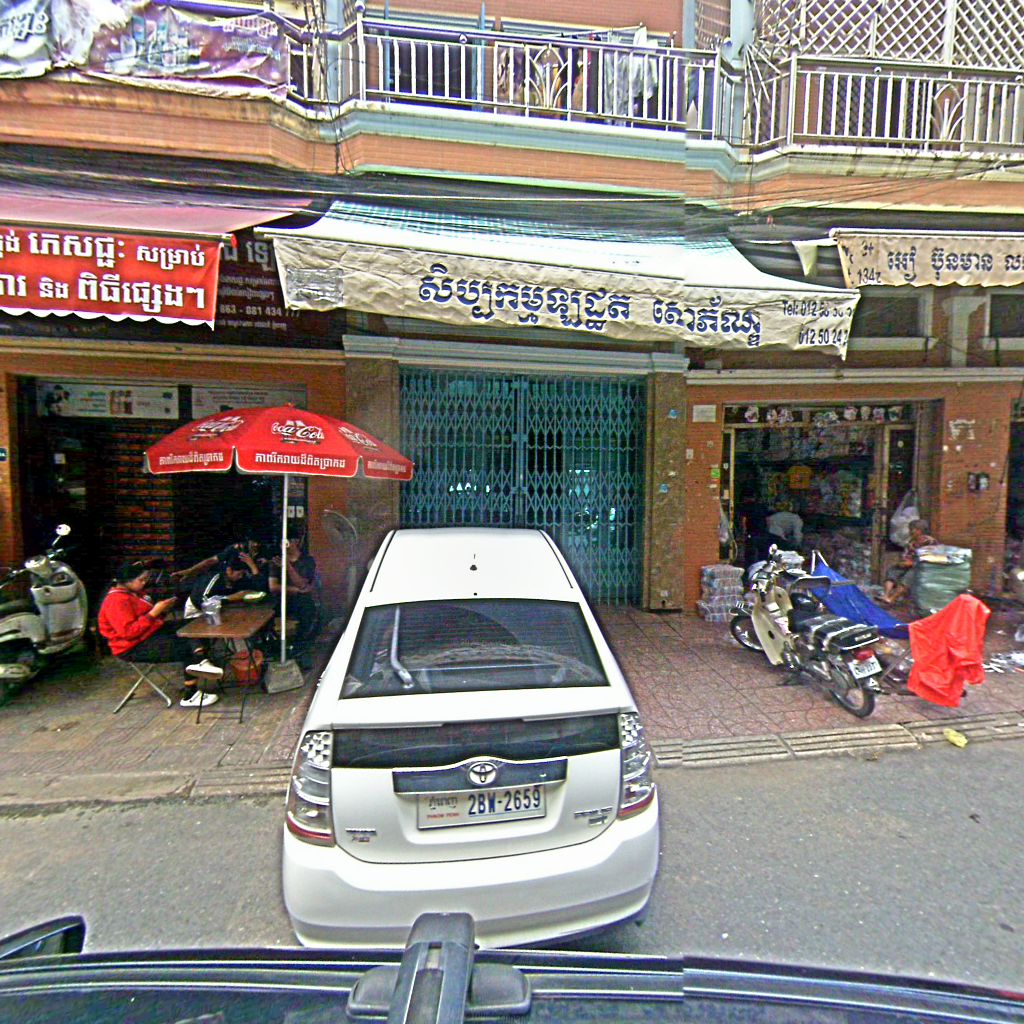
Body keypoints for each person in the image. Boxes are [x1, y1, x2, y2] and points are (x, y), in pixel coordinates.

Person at [97, 563, 219, 709]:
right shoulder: (116, 601)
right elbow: (128, 633)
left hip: (149, 632)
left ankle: (201, 659)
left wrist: (163, 610)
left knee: (193, 626)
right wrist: (154, 612)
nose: (144, 583)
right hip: (131, 646)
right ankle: (190, 695)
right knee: (185, 647)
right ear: (126, 581)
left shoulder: (134, 593)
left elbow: (147, 618)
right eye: (141, 580)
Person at [268, 528, 319, 656]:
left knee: (307, 609)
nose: (283, 545)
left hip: (301, 602)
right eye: (281, 542)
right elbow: (273, 586)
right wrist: (296, 590)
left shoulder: (307, 560)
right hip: (282, 600)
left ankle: (300, 649)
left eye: (286, 541)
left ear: (295, 541)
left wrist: (288, 566)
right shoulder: (276, 561)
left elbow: (302, 583)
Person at [183, 552, 264, 621]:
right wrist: (230, 598)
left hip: (220, 610)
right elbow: (203, 602)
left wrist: (253, 567)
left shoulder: (238, 580)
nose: (241, 577)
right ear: (229, 570)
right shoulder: (214, 578)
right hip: (197, 612)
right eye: (240, 573)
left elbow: (259, 589)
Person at [883, 518, 937, 604]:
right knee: (893, 571)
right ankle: (886, 595)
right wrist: (903, 562)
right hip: (911, 565)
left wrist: (912, 563)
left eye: (913, 529)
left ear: (920, 530)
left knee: (909, 576)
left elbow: (929, 558)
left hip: (923, 567)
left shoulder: (929, 542)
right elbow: (907, 555)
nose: (910, 532)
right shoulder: (911, 542)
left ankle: (892, 598)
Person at [171, 540, 263, 585]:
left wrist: (252, 565)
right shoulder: (237, 550)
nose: (255, 545)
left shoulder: (264, 553)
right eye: (253, 542)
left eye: (258, 543)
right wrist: (190, 571)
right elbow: (211, 561)